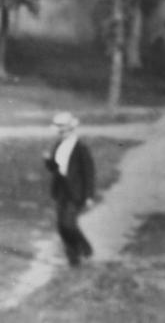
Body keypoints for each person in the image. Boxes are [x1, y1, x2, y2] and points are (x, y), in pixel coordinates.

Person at [43, 111, 96, 266]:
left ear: (72, 129)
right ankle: (74, 257)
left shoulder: (81, 148)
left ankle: (84, 248)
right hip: (61, 190)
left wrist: (89, 196)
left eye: (64, 129)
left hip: (76, 191)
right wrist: (48, 161)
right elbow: (54, 168)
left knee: (68, 224)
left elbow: (89, 173)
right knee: (61, 225)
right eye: (59, 130)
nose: (62, 133)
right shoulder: (58, 145)